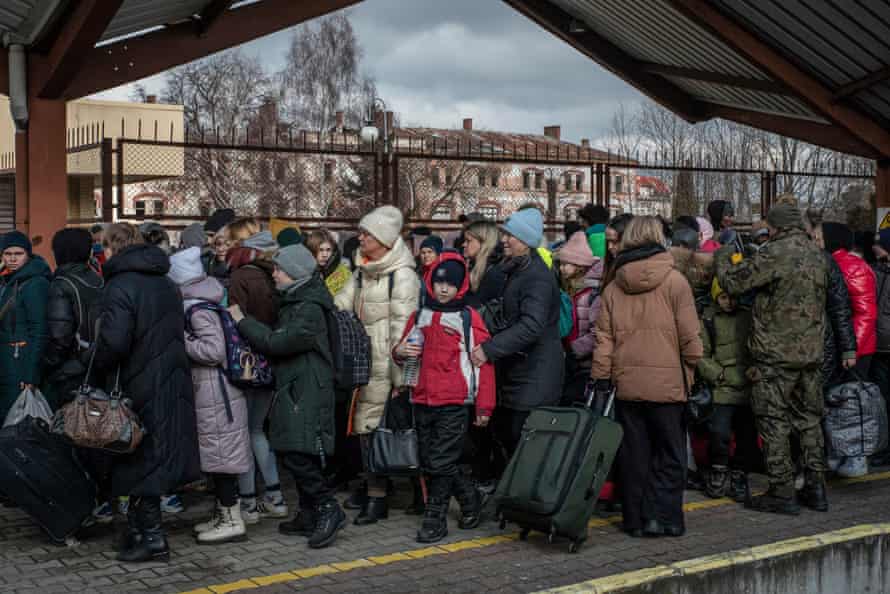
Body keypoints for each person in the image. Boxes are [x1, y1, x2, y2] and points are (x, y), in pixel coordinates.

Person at [93, 223, 200, 562]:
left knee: (139, 458)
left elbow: (115, 342)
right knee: (150, 455)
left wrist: (89, 358)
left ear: (111, 249)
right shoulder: (166, 283)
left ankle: (153, 538)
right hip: (169, 377)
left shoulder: (119, 285)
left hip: (136, 382)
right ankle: (140, 531)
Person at [715, 199, 829, 515]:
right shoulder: (817, 255)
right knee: (809, 421)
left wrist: (724, 256)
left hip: (775, 355)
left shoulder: (774, 253)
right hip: (811, 354)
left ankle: (782, 491)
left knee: (774, 420)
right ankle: (816, 488)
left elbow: (734, 283)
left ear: (775, 226)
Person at [591, 216, 702, 538]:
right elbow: (690, 337)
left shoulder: (613, 286)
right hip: (669, 386)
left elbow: (604, 339)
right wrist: (693, 369)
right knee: (670, 454)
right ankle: (666, 518)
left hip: (627, 385)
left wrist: (602, 376)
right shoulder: (675, 282)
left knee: (634, 455)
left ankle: (636, 521)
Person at [231, 244, 346, 549]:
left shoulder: (308, 308)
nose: (275, 275)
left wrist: (241, 320)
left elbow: (277, 342)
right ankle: (309, 513)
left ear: (294, 273)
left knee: (297, 453)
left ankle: (327, 508)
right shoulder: (296, 301)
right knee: (295, 450)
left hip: (307, 389)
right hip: (297, 386)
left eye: (279, 270)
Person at [393, 252, 495, 543]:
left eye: (451, 283)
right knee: (432, 461)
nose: (444, 288)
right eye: (439, 282)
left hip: (454, 401)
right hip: (421, 398)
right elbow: (404, 352)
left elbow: (484, 365)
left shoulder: (468, 318)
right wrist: (399, 353)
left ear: (461, 285)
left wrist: (484, 405)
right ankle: (470, 497)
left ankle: (435, 518)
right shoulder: (420, 315)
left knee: (439, 461)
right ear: (430, 282)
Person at [335, 205, 420, 525]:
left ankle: (379, 497)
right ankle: (380, 488)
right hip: (363, 364)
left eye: (366, 233)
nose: (360, 237)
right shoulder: (362, 270)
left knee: (378, 432)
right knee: (366, 431)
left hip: (386, 368)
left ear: (383, 239)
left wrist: (402, 381)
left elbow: (404, 331)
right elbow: (340, 305)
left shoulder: (402, 276)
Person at [169, 247, 250, 545]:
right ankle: (224, 514)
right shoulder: (204, 302)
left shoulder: (197, 309)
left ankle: (232, 520)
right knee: (218, 460)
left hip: (216, 394)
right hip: (215, 392)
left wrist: (184, 340)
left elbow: (213, 351)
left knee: (222, 460)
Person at [470, 208, 562, 461]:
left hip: (535, 374)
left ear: (526, 241)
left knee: (523, 441)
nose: (504, 240)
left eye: (511, 235)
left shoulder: (537, 278)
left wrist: (489, 349)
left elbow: (531, 325)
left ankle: (525, 497)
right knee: (511, 435)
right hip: (522, 370)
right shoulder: (519, 270)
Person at [225, 218, 288, 523]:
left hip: (245, 365)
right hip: (271, 361)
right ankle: (275, 496)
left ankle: (248, 503)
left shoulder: (241, 277)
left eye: (230, 241)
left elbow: (235, 322)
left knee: (244, 432)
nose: (224, 247)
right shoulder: (273, 273)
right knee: (257, 431)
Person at [822, 222, 877, 478]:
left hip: (854, 351)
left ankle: (855, 457)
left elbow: (865, 313)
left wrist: (850, 350)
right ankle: (840, 453)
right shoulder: (833, 263)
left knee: (851, 403)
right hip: (840, 349)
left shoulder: (852, 267)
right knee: (838, 403)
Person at [698, 280, 756, 501]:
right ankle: (719, 469)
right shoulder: (709, 319)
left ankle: (740, 474)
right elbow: (701, 355)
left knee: (746, 435)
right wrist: (718, 374)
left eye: (732, 297)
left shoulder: (749, 316)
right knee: (719, 433)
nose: (729, 302)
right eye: (723, 297)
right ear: (716, 297)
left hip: (747, 385)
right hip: (721, 386)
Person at [42, 228, 104, 411]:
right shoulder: (97, 279)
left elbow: (60, 336)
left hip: (69, 371)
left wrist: (46, 366)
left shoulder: (62, 284)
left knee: (67, 428)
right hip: (95, 363)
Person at [0, 231, 51, 424]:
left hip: (19, 363)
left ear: (27, 254)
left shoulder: (35, 283)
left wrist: (31, 374)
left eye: (18, 253)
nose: (12, 258)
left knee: (16, 423)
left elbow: (39, 330)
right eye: (7, 253)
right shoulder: (9, 280)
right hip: (9, 361)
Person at [556, 231, 602, 405]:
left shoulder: (590, 294)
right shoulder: (568, 291)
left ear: (580, 266)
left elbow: (597, 331)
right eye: (560, 264)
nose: (561, 268)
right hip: (569, 359)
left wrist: (574, 349)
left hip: (584, 362)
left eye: (566, 264)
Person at [871, 229, 890, 466]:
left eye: (879, 243)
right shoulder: (876, 271)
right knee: (882, 400)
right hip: (879, 346)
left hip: (884, 343)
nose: (874, 246)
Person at [463, 220, 506, 309]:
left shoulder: (495, 273)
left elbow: (477, 307)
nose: (463, 244)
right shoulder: (475, 265)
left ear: (483, 243)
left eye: (468, 241)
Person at [305, 230, 351, 297]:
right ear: (312, 250)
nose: (325, 255)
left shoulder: (342, 272)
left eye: (328, 250)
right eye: (321, 250)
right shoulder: (304, 270)